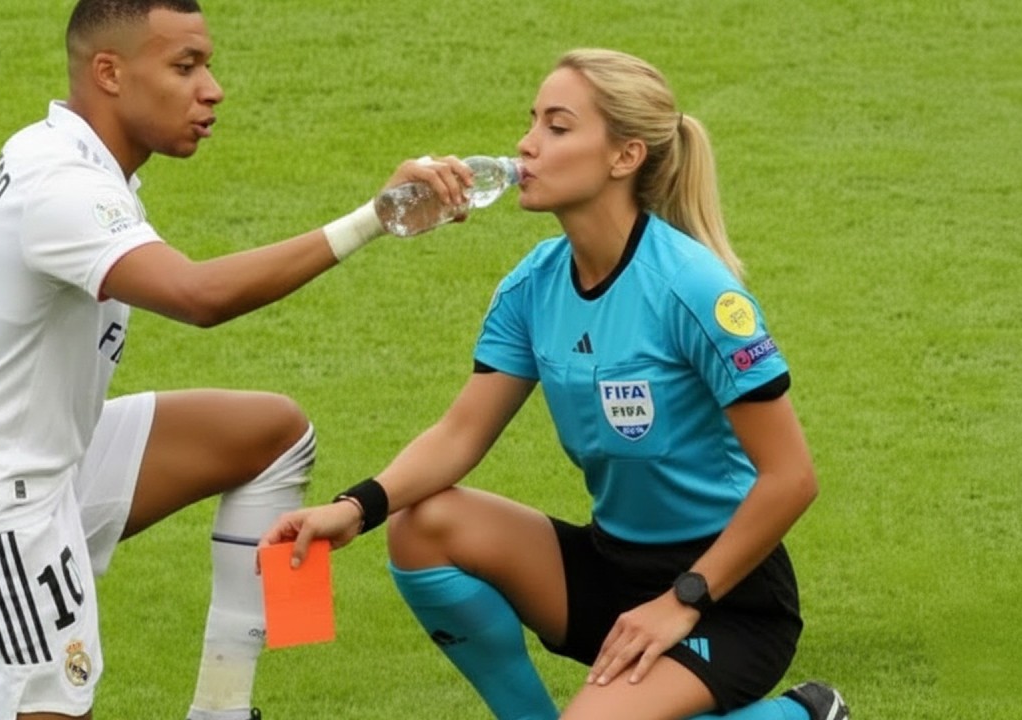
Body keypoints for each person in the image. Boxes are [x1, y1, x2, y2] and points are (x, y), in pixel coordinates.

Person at [0, 2, 477, 720]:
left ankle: (223, 711)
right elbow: (199, 297)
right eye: (185, 67)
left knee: (270, 434)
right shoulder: (61, 185)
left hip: (50, 459)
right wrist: (376, 217)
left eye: (207, 65)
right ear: (109, 72)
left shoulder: (68, 156)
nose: (213, 89)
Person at [262, 49, 850, 720]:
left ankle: (800, 715)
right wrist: (353, 508)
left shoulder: (692, 289)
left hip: (725, 599)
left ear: (625, 157)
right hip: (612, 569)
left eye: (558, 126)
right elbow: (460, 433)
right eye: (532, 121)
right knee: (422, 525)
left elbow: (791, 478)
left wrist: (681, 600)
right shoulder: (535, 284)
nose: (527, 143)